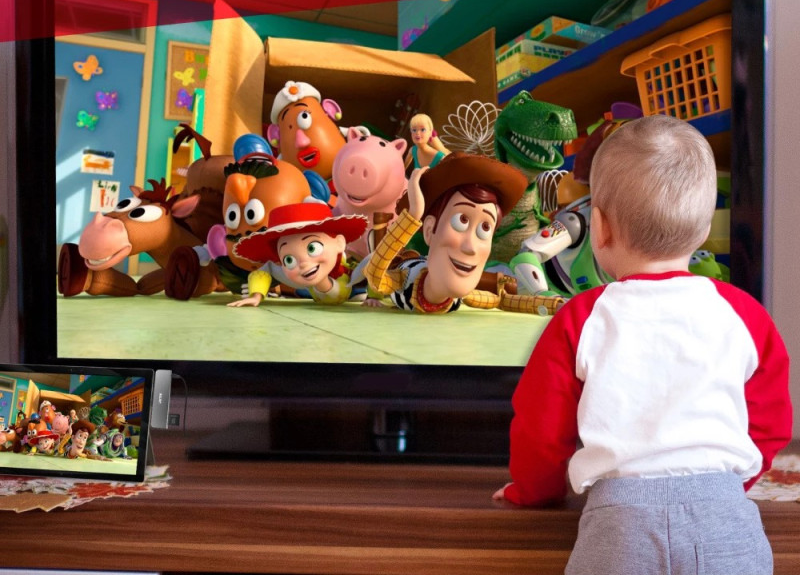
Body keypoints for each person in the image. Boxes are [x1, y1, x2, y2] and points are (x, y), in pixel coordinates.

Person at [493, 115, 792, 575]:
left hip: (619, 528)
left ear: (599, 227)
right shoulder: (744, 315)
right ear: (703, 228)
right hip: (727, 520)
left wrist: (532, 492)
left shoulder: (582, 317)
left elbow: (541, 431)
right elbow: (770, 423)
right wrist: (732, 485)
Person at [365, 152, 563, 315]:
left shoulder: (460, 297)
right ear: (430, 230)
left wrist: (553, 305)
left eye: (485, 228)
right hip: (403, 260)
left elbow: (501, 300)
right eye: (461, 221)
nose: (471, 247)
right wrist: (413, 216)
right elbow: (376, 277)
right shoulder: (405, 278)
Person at [228, 202, 368, 307]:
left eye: (313, 248)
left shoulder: (350, 274)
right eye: (288, 259)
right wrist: (256, 294)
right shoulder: (293, 272)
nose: (304, 263)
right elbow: (268, 268)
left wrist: (373, 297)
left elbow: (371, 263)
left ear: (339, 243)